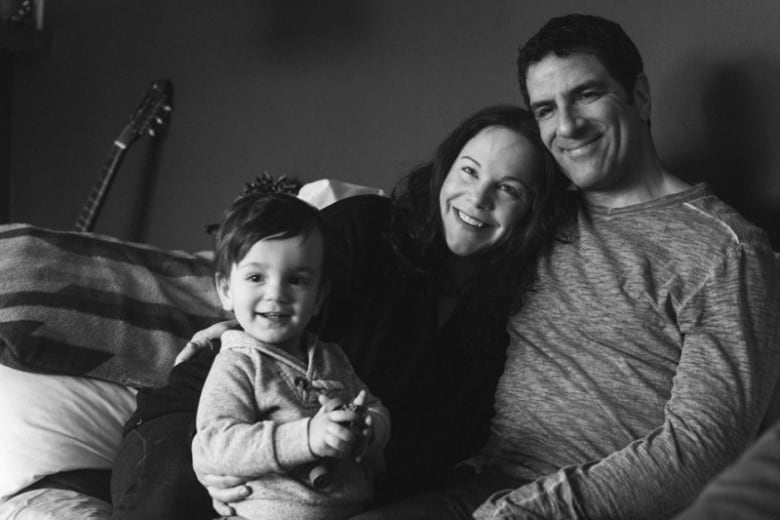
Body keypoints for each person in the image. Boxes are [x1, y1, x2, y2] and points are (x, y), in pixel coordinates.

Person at [349, 13, 780, 520]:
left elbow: (703, 447)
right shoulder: (537, 214)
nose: (567, 125)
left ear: (639, 96)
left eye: (587, 95)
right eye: (546, 109)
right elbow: (433, 231)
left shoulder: (725, 251)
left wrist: (528, 511)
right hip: (473, 488)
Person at [109, 104, 567, 520]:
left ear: (533, 213)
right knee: (174, 501)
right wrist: (210, 461)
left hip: (323, 476)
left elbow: (434, 451)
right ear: (444, 174)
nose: (479, 196)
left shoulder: (506, 321)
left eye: (508, 188)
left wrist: (369, 439)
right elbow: (258, 329)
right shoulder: (366, 230)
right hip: (207, 418)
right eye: (468, 171)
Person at [190, 191, 391, 520]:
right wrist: (307, 437)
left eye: (296, 280)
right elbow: (216, 445)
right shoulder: (239, 363)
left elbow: (371, 403)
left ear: (318, 298)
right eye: (256, 277)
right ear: (226, 290)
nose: (276, 294)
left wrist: (371, 427)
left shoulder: (332, 357)